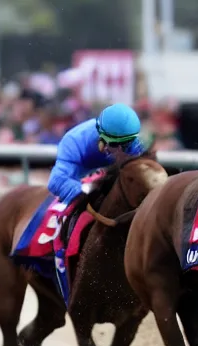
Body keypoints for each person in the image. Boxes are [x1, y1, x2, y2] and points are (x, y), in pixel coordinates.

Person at [47, 102, 145, 304]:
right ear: (101, 137)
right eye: (114, 145)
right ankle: (69, 292)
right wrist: (85, 191)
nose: (120, 151)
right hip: (81, 185)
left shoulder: (133, 142)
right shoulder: (74, 141)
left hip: (110, 186)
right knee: (61, 229)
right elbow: (56, 181)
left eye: (125, 145)